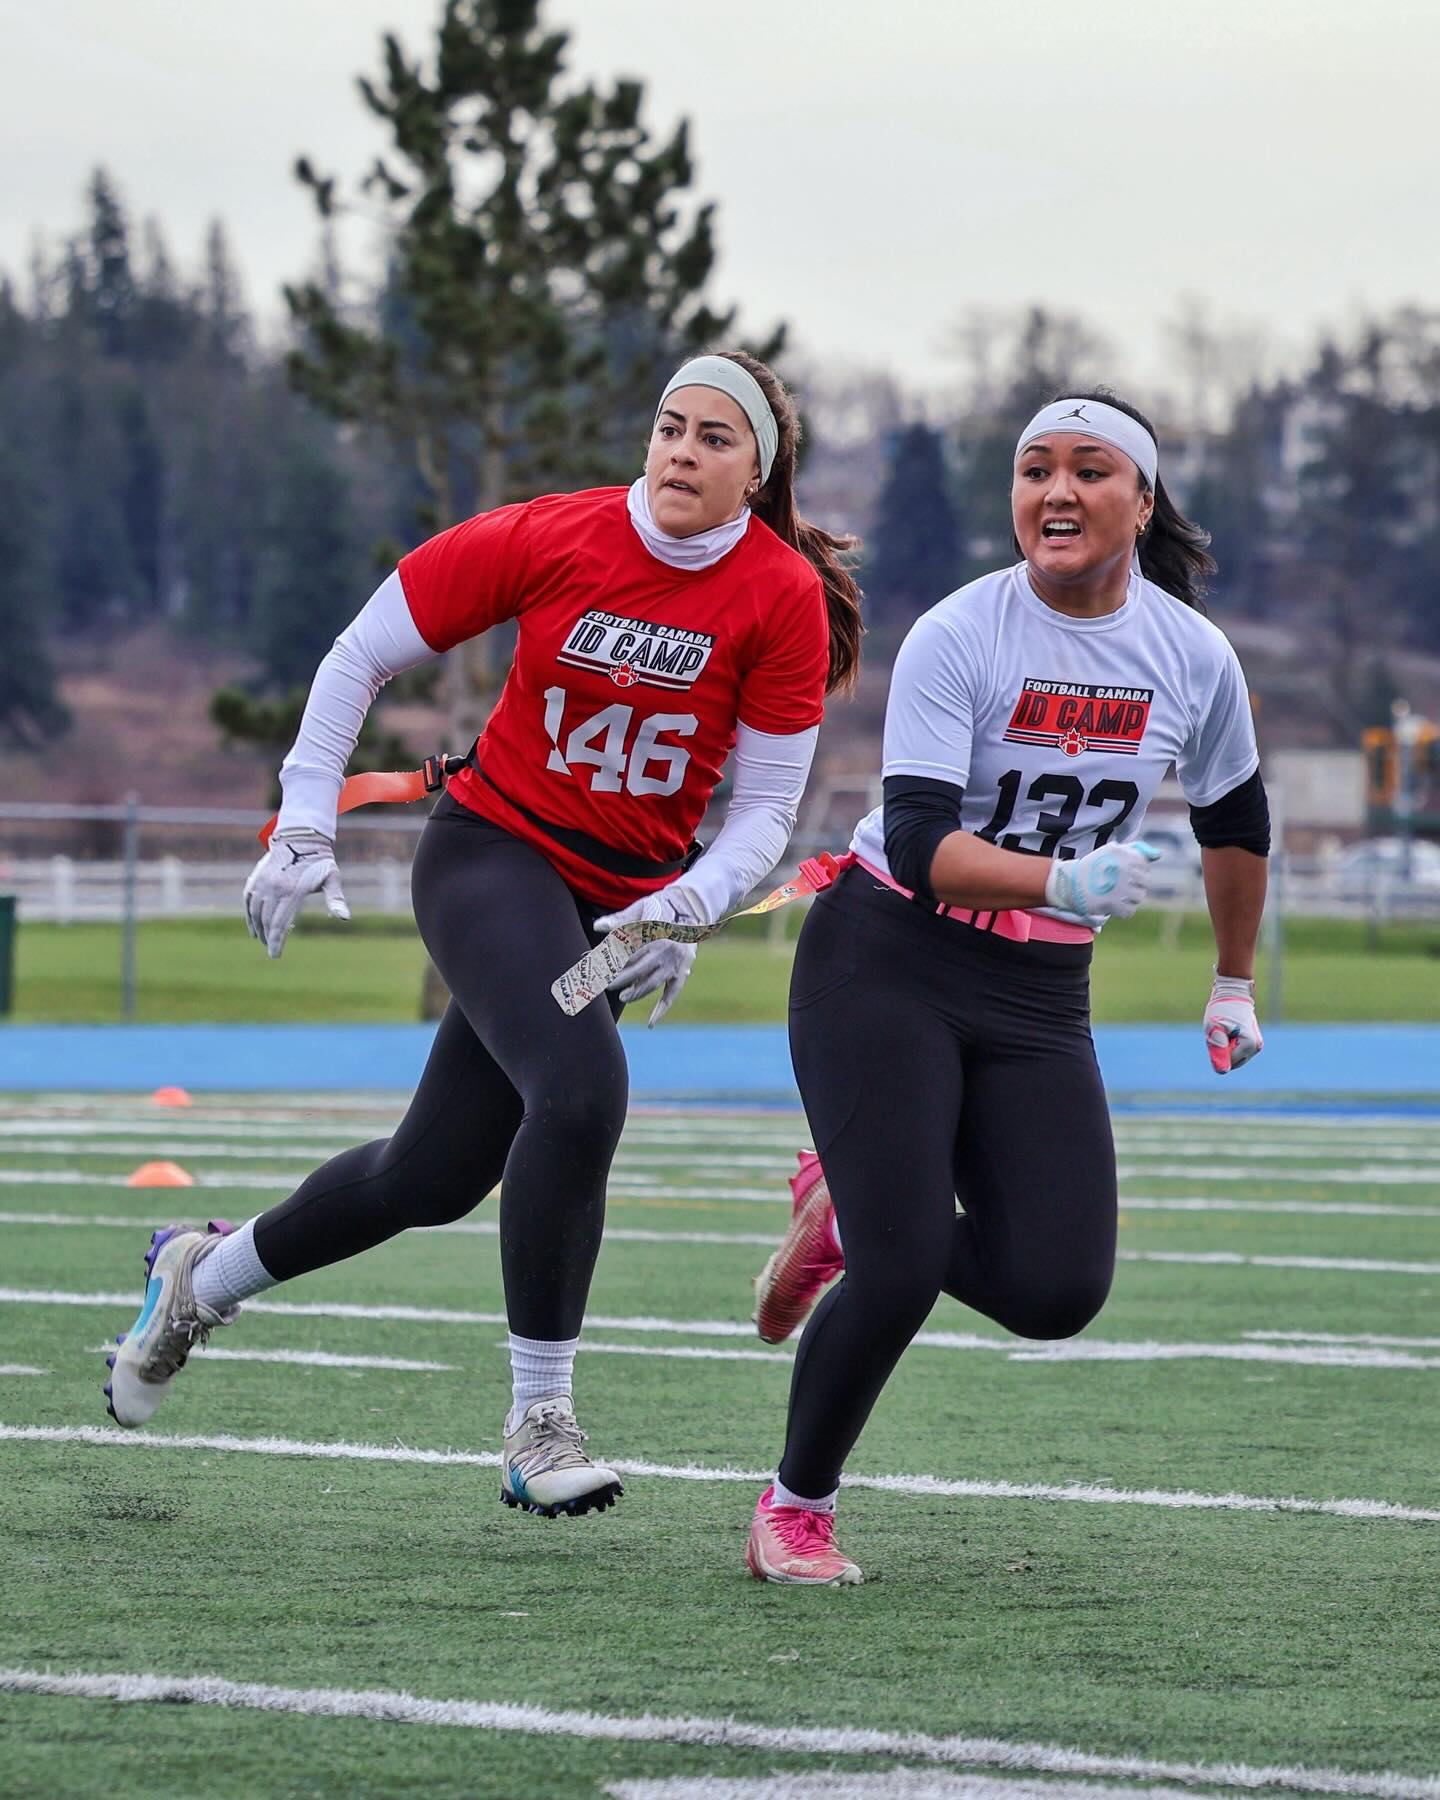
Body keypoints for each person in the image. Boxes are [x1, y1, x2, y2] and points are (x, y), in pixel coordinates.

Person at [103, 350, 863, 1520]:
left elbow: (764, 810)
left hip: (609, 909)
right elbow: (362, 651)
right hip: (493, 855)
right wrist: (306, 815)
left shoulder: (778, 595)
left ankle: (204, 1274)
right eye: (669, 425)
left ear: (759, 469)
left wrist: (690, 902)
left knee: (434, 1173)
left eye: (716, 437)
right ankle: (539, 1420)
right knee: (580, 1091)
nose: (681, 451)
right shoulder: (552, 533)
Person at [745, 390, 1269, 1585]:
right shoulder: (961, 632)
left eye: (1091, 470)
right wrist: (1063, 877)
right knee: (908, 1255)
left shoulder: (1190, 654)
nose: (1059, 492)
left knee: (1056, 1288)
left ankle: (847, 1208)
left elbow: (1239, 818)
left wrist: (1233, 980)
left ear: (1141, 502)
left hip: (1038, 991)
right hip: (890, 955)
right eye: (1036, 469)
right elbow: (924, 840)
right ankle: (795, 1509)